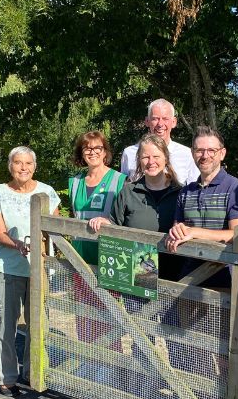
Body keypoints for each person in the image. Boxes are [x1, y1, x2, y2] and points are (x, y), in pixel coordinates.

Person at [0, 147, 61, 397]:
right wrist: (17, 244)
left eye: (28, 163)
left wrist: (42, 245)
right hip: (9, 267)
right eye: (18, 163)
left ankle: (34, 372)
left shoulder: (47, 192)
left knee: (38, 323)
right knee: (6, 324)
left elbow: (55, 229)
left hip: (39, 269)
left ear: (35, 166)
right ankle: (6, 376)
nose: (23, 167)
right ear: (10, 166)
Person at [88, 133, 184, 280]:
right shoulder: (128, 192)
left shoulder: (181, 193)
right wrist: (104, 222)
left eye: (156, 156)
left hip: (175, 278)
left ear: (166, 158)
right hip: (138, 277)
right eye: (145, 157)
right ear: (139, 160)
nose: (151, 161)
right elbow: (115, 224)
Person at [166, 126, 238, 288]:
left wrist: (194, 232)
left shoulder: (235, 187)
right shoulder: (185, 191)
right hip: (188, 279)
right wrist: (176, 232)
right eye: (199, 150)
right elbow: (178, 229)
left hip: (224, 279)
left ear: (222, 153)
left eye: (211, 150)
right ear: (192, 153)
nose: (205, 156)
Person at [69, 130, 127, 265]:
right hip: (79, 255)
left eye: (97, 148)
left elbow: (127, 220)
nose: (92, 152)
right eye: (87, 148)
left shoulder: (120, 180)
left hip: (109, 255)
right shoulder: (75, 182)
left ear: (105, 152)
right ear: (82, 153)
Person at [120, 99, 199, 185]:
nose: (160, 124)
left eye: (165, 119)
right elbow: (124, 189)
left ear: (174, 122)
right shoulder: (129, 153)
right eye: (155, 119)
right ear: (147, 121)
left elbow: (194, 191)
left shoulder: (187, 155)